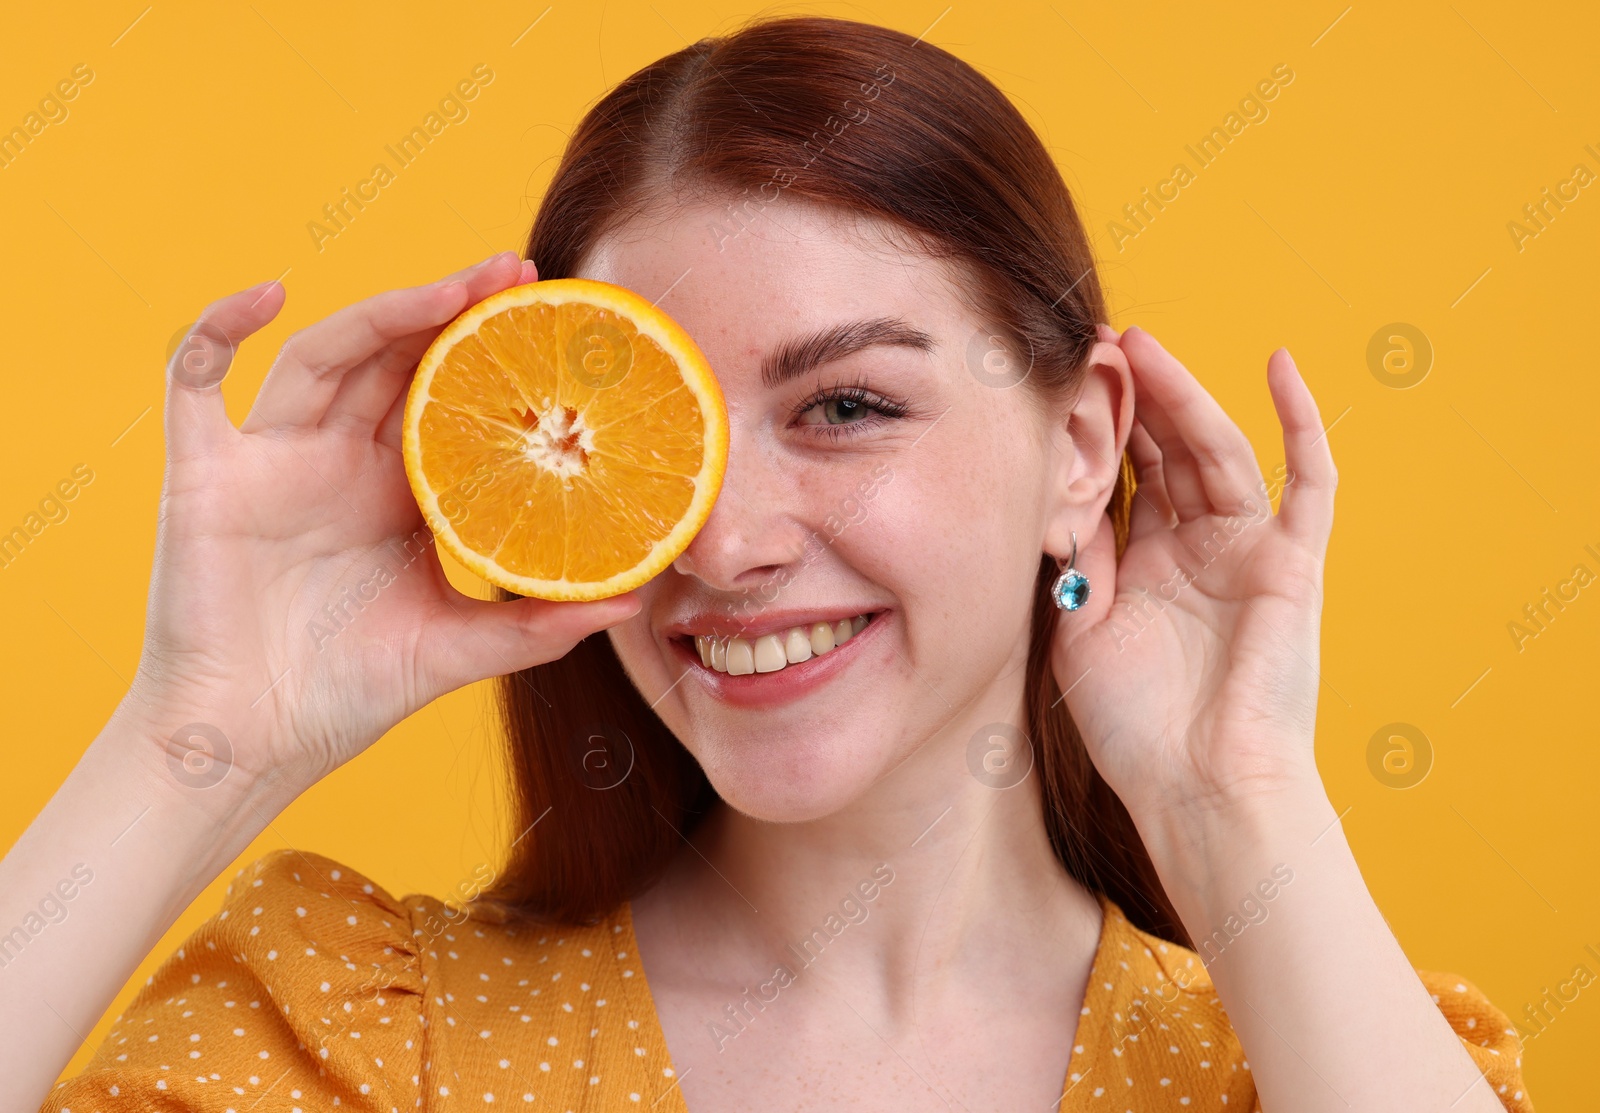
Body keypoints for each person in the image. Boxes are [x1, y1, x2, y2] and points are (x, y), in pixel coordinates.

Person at [6, 14, 1531, 1113]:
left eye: (848, 406)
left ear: (1080, 448)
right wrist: (195, 738)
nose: (725, 547)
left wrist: (1237, 811)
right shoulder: (368, 1044)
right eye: (640, 444)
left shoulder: (1304, 1063)